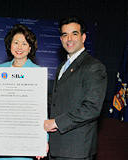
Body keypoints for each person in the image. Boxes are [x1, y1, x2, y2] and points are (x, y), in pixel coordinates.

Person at [44, 16, 107, 160]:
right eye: (65, 35)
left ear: (83, 37)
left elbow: (91, 108)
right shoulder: (62, 67)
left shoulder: (94, 67)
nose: (69, 39)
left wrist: (56, 122)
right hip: (57, 148)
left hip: (76, 151)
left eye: (74, 34)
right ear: (61, 40)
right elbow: (57, 100)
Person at [0, 24, 39, 160]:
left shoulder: (37, 72)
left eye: (24, 44)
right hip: (0, 138)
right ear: (9, 45)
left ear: (30, 47)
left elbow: (41, 110)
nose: (19, 47)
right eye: (16, 43)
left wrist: (43, 140)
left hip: (25, 139)